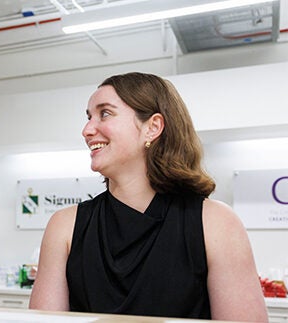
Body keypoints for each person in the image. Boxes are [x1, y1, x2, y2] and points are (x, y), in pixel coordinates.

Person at [29, 72, 267, 321]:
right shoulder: (65, 226)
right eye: (88, 117)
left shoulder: (216, 223)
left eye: (105, 113)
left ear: (152, 127)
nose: (87, 130)